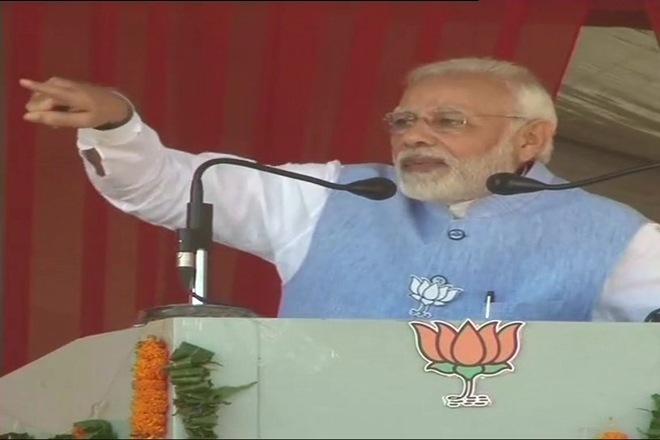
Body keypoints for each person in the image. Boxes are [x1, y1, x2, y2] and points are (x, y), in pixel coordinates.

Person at [19, 57, 660, 323]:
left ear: (530, 139)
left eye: (449, 121)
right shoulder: (333, 194)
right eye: (403, 121)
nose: (415, 136)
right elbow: (170, 187)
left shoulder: (614, 235)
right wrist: (116, 125)